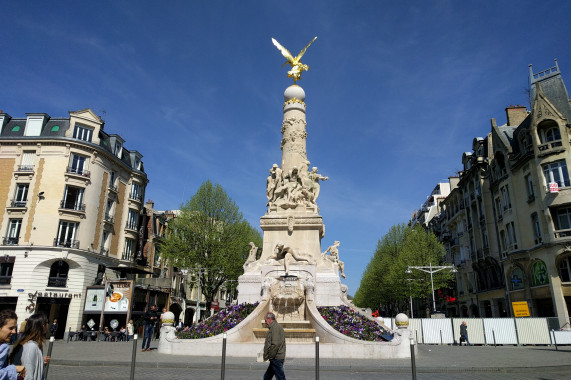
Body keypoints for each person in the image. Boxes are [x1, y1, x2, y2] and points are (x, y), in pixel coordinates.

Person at [10, 313, 50, 380]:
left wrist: (40, 362)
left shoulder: (33, 344)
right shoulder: (30, 346)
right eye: (47, 322)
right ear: (43, 326)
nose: (48, 325)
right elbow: (28, 374)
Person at [0, 310, 26, 379]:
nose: (14, 332)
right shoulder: (3, 347)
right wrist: (14, 369)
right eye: (10, 328)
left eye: (14, 328)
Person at [263, 312, 286, 380]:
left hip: (276, 358)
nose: (265, 322)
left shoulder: (275, 327)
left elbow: (275, 344)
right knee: (267, 377)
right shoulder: (274, 327)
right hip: (275, 357)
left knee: (280, 378)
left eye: (265, 320)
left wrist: (271, 356)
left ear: (269, 319)